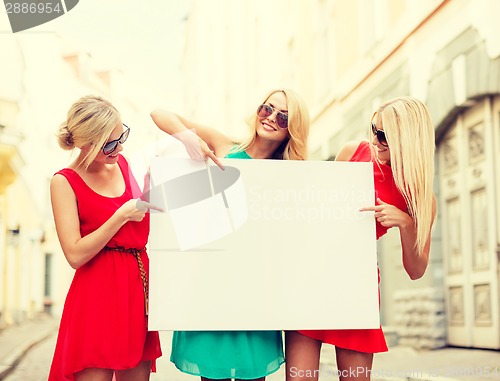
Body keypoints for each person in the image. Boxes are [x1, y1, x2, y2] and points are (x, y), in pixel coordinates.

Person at [150, 88, 310, 381]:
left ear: (293, 130)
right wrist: (189, 137)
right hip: (212, 287)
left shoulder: (291, 175)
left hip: (258, 292)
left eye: (283, 117)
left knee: (253, 376)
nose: (271, 118)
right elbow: (159, 114)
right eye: (267, 108)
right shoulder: (225, 146)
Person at [285, 96, 437, 381]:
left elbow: (416, 270)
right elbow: (315, 215)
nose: (376, 140)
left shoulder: (420, 197)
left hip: (357, 289)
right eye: (374, 129)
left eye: (385, 135)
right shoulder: (353, 152)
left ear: (409, 139)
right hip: (312, 280)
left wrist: (405, 223)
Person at [48, 95, 162, 381]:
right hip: (96, 294)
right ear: (85, 143)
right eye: (109, 144)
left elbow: (138, 232)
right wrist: (120, 215)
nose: (119, 147)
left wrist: (149, 192)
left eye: (121, 135)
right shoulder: (64, 181)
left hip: (137, 286)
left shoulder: (122, 164)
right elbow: (74, 254)